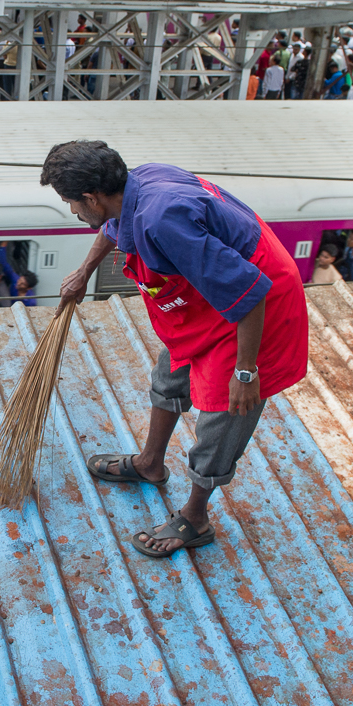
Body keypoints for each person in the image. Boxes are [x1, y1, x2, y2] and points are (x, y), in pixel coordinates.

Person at [48, 142, 308, 558]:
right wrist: (83, 273)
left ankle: (195, 517)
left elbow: (251, 291)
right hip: (213, 297)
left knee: (223, 416)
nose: (74, 214)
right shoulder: (135, 186)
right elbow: (113, 228)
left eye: (72, 205)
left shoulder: (161, 219)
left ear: (91, 197)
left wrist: (246, 371)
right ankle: (151, 463)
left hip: (258, 303)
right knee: (171, 374)